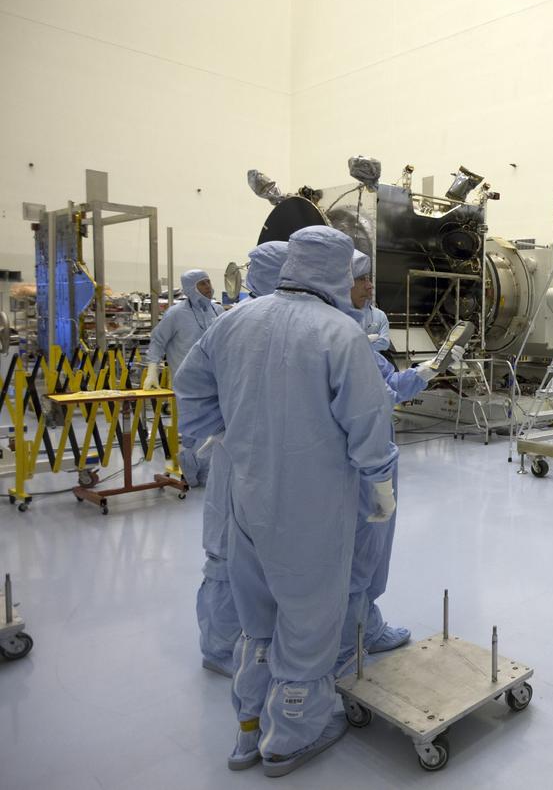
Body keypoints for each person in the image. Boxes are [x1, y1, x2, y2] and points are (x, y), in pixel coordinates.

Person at [177, 226, 398, 776]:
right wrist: (379, 482)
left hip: (247, 499)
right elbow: (368, 423)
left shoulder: (235, 322)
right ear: (336, 271)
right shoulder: (337, 334)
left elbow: (189, 384)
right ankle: (292, 734)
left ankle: (250, 724)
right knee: (308, 619)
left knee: (259, 620)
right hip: (312, 508)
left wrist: (219, 435)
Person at [334, 252, 462, 673]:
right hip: (353, 465)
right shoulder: (336, 337)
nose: (371, 288)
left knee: (370, 549)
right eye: (363, 280)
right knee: (352, 551)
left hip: (375, 458)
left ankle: (364, 627)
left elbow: (386, 385)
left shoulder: (355, 336)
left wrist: (426, 371)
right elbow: (371, 401)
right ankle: (344, 646)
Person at [196, 241, 290, 679]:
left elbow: (195, 388)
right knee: (233, 552)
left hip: (247, 453)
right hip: (250, 456)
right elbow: (195, 387)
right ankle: (222, 646)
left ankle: (240, 642)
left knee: (245, 553)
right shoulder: (249, 322)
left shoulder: (242, 320)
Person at [144, 268, 222, 486]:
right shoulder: (176, 314)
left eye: (208, 282)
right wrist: (152, 369)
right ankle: (190, 471)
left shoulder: (217, 311)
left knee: (214, 428)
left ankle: (206, 473)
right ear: (190, 288)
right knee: (192, 428)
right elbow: (158, 341)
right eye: (202, 284)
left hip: (215, 380)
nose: (208, 287)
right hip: (188, 382)